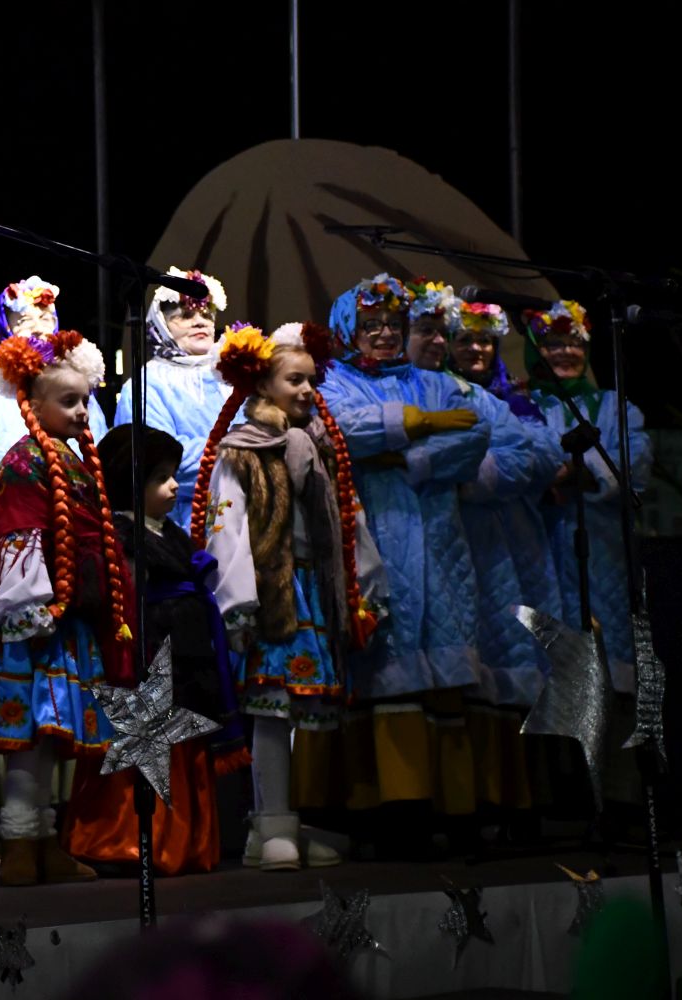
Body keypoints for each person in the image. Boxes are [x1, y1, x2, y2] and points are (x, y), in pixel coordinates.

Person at [316, 274, 494, 841]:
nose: (385, 334)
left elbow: (473, 438)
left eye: (393, 324)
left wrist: (406, 457)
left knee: (444, 671)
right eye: (371, 325)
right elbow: (342, 431)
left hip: (441, 544)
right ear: (349, 330)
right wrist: (415, 426)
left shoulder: (435, 382)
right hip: (375, 539)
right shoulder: (333, 381)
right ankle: (387, 812)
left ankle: (453, 810)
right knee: (383, 674)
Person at [193, 323, 372, 870]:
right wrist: (237, 602)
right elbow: (226, 528)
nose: (307, 390)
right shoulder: (242, 451)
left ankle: (280, 822)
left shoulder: (318, 446)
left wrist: (365, 585)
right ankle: (271, 823)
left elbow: (347, 519)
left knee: (300, 709)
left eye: (311, 380)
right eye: (295, 380)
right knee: (270, 711)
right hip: (272, 594)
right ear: (263, 385)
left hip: (314, 589)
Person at [0, 327, 135, 887]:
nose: (82, 411)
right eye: (69, 401)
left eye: (86, 400)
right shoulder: (25, 461)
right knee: (30, 738)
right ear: (33, 405)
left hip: (68, 620)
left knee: (53, 737)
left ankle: (43, 842)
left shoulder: (73, 461)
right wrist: (35, 604)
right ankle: (18, 841)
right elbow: (12, 531)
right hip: (34, 621)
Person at [60, 424, 245, 876]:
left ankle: (185, 843)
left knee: (183, 747)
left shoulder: (169, 534)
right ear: (131, 483)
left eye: (173, 475)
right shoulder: (120, 537)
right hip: (147, 662)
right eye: (161, 478)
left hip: (186, 659)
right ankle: (127, 841)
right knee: (146, 750)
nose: (174, 486)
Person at [443, 296, 564, 710]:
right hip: (465, 533)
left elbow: (542, 458)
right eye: (464, 340)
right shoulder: (440, 392)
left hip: (519, 536)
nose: (476, 349)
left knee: (518, 635)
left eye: (484, 341)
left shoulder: (515, 399)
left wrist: (483, 463)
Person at [525, 300, 652, 690]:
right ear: (535, 352)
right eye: (553, 344)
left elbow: (633, 464)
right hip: (539, 545)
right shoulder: (521, 405)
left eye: (575, 342)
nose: (566, 351)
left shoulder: (614, 407)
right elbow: (519, 464)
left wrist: (569, 473)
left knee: (609, 660)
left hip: (603, 550)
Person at [0, 275, 109, 477]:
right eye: (25, 321)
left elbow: (100, 451)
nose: (38, 329)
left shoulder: (75, 385)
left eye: (46, 319)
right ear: (2, 327)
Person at [114, 267, 239, 527]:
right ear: (162, 323)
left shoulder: (232, 375)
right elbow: (162, 462)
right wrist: (237, 452)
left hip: (244, 510)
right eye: (186, 315)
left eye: (207, 314)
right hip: (181, 522)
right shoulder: (147, 383)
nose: (200, 321)